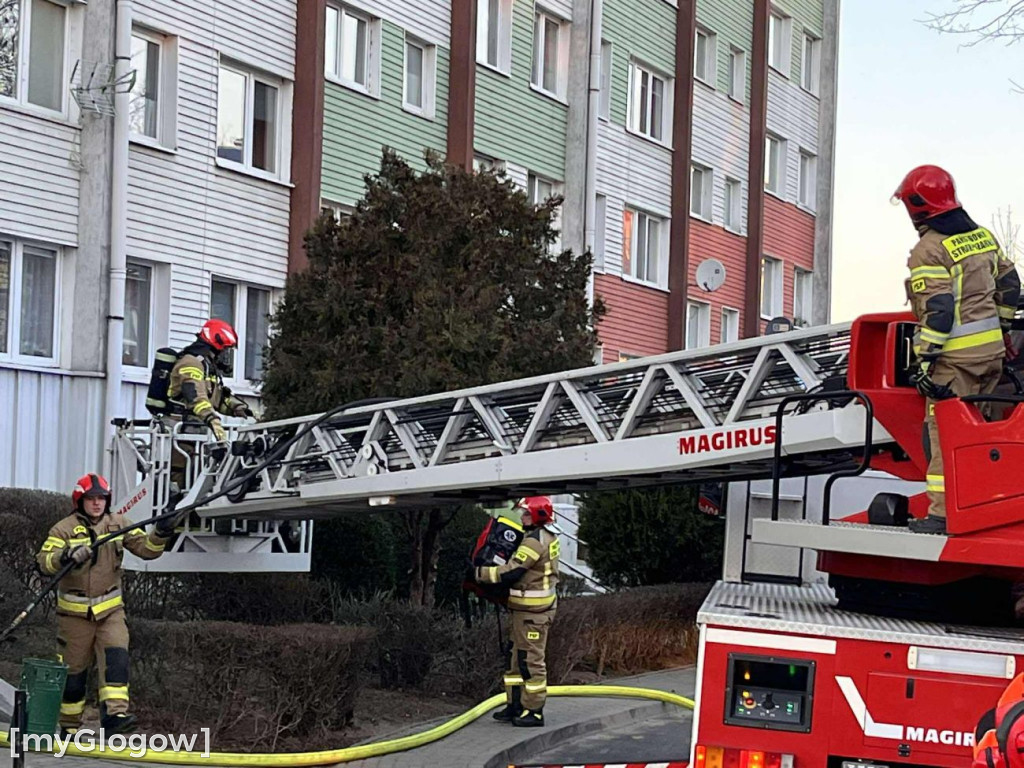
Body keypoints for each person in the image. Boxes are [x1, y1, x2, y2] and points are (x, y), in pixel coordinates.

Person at [892, 164, 1020, 534]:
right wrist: (1004, 329)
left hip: (954, 364)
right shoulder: (983, 237)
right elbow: (1010, 285)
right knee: (984, 436)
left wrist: (923, 357)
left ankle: (942, 515)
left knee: (945, 436)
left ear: (917, 206)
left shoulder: (928, 250)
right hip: (992, 357)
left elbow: (940, 312)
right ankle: (986, 505)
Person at [35, 474, 178, 736]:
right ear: (80, 501)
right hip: (74, 616)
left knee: (116, 661)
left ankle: (115, 717)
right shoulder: (63, 529)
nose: (97, 504)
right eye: (91, 499)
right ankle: (69, 727)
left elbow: (147, 549)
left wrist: (162, 532)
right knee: (73, 675)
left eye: (101, 498)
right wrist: (65, 555)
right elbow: (43, 561)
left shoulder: (118, 524)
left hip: (110, 611)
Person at [475, 496, 560, 727]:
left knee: (530, 661)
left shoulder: (534, 542)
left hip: (533, 614)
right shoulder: (543, 537)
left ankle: (534, 711)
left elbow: (512, 572)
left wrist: (480, 574)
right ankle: (515, 705)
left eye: (526, 513)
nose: (522, 517)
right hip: (524, 611)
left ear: (537, 516)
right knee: (515, 659)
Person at [166, 319, 252, 492]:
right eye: (225, 349)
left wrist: (241, 409)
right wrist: (212, 419)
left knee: (196, 478)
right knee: (178, 479)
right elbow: (195, 396)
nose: (226, 354)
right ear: (215, 344)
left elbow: (216, 398)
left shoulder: (206, 366)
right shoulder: (191, 363)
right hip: (180, 428)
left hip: (195, 430)